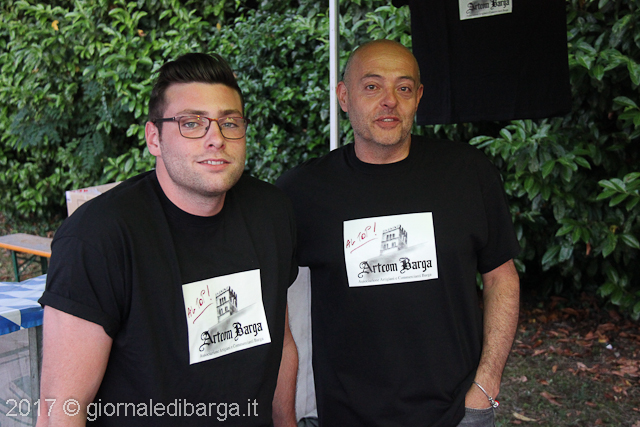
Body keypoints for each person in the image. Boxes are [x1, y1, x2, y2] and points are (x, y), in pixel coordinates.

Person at [37, 53, 298, 427]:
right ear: (154, 138)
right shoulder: (97, 237)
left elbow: (280, 342)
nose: (216, 139)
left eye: (230, 122)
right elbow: (60, 411)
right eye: (191, 123)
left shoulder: (272, 213)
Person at [276, 39, 521, 427]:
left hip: (457, 413)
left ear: (418, 97)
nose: (389, 100)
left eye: (403, 88)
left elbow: (500, 278)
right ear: (344, 96)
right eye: (372, 86)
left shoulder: (467, 173)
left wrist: (486, 385)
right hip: (346, 415)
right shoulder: (301, 192)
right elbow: (272, 303)